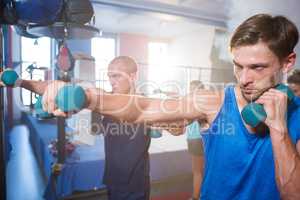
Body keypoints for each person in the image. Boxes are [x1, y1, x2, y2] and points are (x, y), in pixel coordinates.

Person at [4, 14, 300, 199]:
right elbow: (142, 107)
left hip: (136, 182)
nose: (244, 79)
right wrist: (80, 93)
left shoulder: (296, 115)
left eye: (257, 67)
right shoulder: (214, 101)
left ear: (287, 63)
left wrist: (279, 131)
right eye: (238, 66)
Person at [185, 81, 205, 200]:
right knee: (201, 170)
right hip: (196, 139)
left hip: (197, 139)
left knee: (198, 171)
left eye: (192, 89)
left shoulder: (193, 104)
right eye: (190, 89)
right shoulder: (195, 102)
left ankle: (196, 197)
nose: (191, 91)